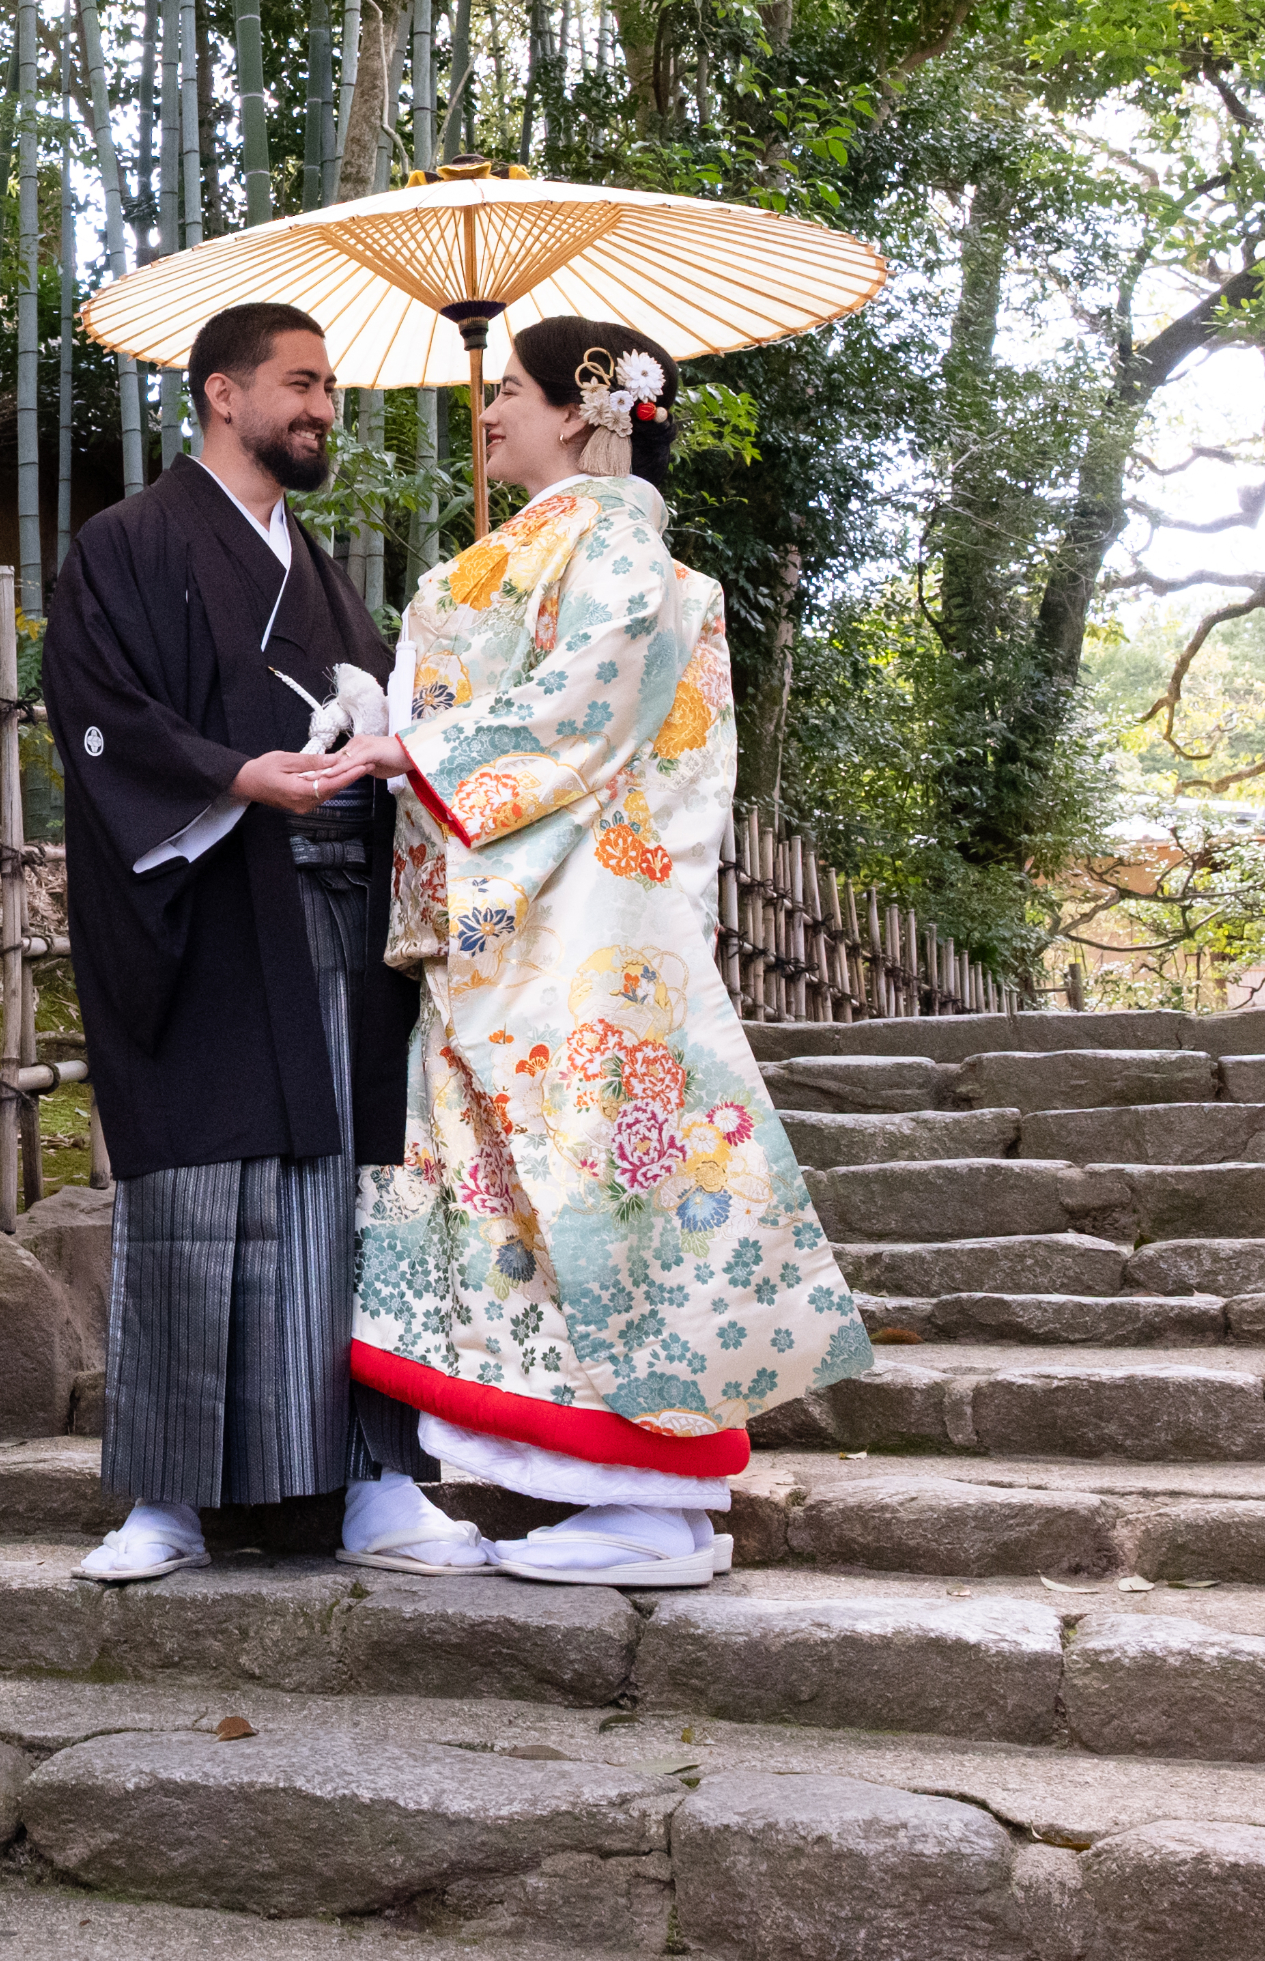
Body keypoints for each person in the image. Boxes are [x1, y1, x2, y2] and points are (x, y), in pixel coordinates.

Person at [323, 316, 873, 1587]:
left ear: (582, 408)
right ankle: (619, 1495)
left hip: (580, 920)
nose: (489, 409)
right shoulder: (556, 542)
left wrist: (419, 745)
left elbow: (586, 702)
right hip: (537, 910)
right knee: (536, 1191)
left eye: (507, 388)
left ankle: (654, 1501)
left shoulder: (617, 543)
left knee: (599, 1191)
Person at [41, 301, 495, 1584]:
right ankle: (169, 1501)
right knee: (203, 1194)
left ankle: (377, 1485)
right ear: (220, 394)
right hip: (209, 908)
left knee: (356, 1198)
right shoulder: (126, 545)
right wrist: (235, 775)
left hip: (340, 918)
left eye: (329, 389)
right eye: (299, 385)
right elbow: (93, 710)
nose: (320, 410)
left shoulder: (326, 570)